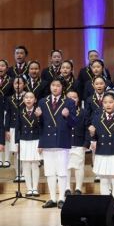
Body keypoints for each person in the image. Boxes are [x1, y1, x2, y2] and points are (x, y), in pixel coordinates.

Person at [35, 79, 77, 209]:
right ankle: (53, 198)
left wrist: (67, 116)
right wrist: (38, 117)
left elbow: (74, 123)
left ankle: (61, 198)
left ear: (62, 88)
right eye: (53, 85)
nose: (55, 88)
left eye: (58, 85)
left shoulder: (69, 102)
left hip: (62, 139)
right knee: (49, 172)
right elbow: (39, 126)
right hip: (47, 140)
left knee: (62, 171)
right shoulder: (42, 102)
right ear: (50, 86)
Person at [88, 92, 114, 203]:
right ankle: (106, 205)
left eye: (111, 102)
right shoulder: (97, 118)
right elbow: (95, 137)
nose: (108, 105)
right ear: (102, 104)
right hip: (102, 152)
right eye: (105, 102)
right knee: (104, 181)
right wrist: (92, 134)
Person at [16, 91, 41, 197]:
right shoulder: (20, 111)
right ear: (23, 100)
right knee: (26, 165)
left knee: (35, 165)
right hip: (24, 141)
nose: (28, 99)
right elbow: (17, 128)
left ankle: (35, 188)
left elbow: (42, 128)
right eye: (26, 97)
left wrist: (41, 143)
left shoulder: (39, 111)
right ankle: (29, 188)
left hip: (36, 140)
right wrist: (17, 143)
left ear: (35, 100)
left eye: (31, 97)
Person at [5, 76, 26, 182]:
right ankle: (18, 174)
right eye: (15, 83)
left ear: (24, 84)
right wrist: (7, 130)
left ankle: (25, 174)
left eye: (20, 83)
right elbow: (8, 115)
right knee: (16, 152)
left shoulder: (28, 97)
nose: (17, 85)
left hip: (26, 127)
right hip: (13, 127)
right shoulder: (10, 99)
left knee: (24, 151)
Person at [65, 91, 86, 196]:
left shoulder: (83, 112)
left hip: (79, 142)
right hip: (65, 143)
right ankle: (67, 188)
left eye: (75, 97)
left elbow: (87, 127)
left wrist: (86, 143)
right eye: (70, 97)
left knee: (79, 166)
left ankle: (78, 188)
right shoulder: (61, 111)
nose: (72, 99)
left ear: (78, 99)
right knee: (66, 166)